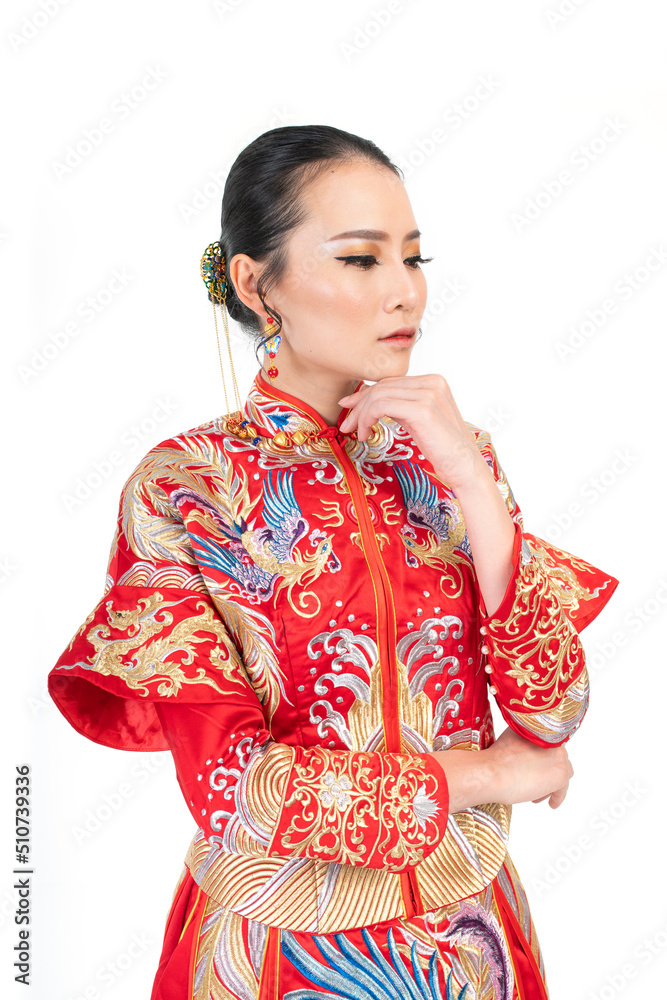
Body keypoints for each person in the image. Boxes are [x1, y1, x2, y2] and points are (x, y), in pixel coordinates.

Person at [48, 124, 620, 1000]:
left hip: (475, 941)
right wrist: (489, 776)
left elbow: (552, 713)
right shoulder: (189, 489)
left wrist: (470, 478)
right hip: (279, 957)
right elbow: (239, 795)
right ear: (253, 281)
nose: (405, 294)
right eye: (360, 261)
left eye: (414, 258)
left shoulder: (450, 458)